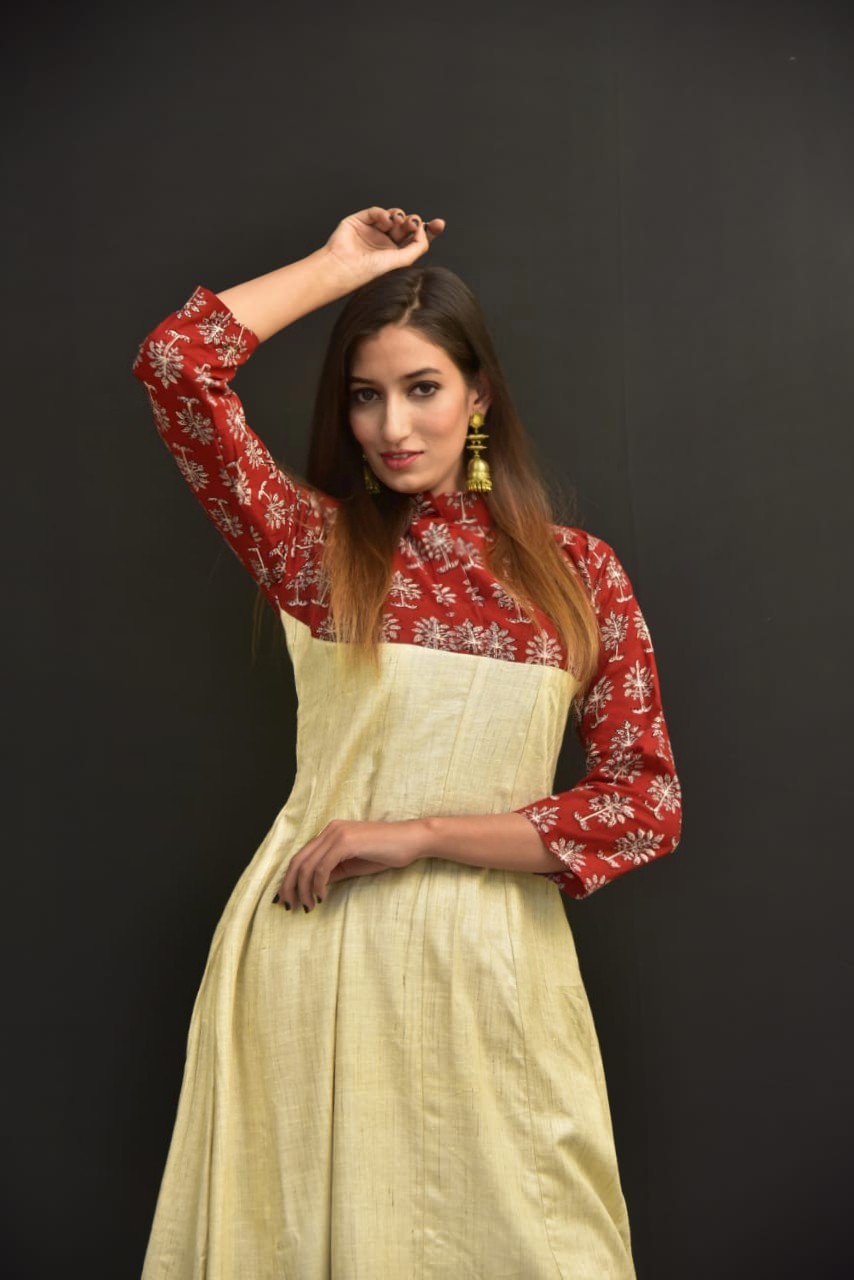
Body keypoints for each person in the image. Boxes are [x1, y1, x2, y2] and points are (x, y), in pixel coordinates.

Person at [132, 204, 683, 1279]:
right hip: (319, 958)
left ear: (478, 397)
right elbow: (175, 368)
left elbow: (642, 804)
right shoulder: (315, 549)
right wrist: (337, 267)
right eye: (364, 394)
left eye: (422, 387)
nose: (392, 426)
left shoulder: (577, 576)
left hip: (498, 974)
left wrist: (420, 833)